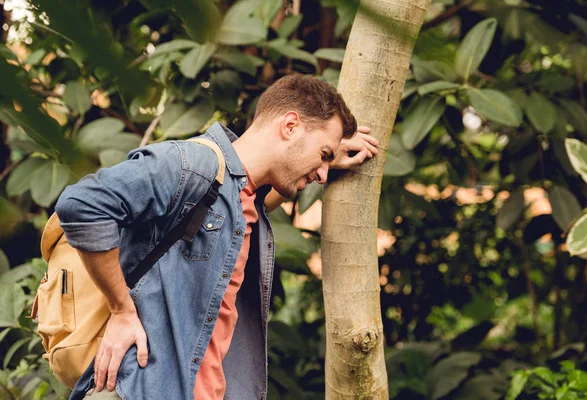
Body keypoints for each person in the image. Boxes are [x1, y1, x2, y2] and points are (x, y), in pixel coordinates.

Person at [55, 74, 379, 400]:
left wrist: (329, 154)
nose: (323, 174)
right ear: (290, 126)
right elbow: (82, 205)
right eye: (323, 154)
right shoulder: (192, 166)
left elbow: (230, 216)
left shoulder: (243, 198)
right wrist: (121, 310)